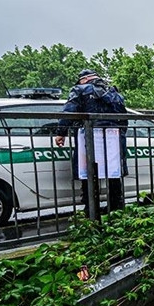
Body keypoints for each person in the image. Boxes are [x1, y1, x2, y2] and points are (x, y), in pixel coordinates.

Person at [54, 69, 128, 217]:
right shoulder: (113, 92)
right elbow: (123, 118)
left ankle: (91, 210)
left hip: (89, 138)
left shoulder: (80, 90)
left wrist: (61, 132)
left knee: (88, 172)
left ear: (84, 79)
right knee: (112, 171)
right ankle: (116, 209)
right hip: (113, 138)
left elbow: (69, 112)